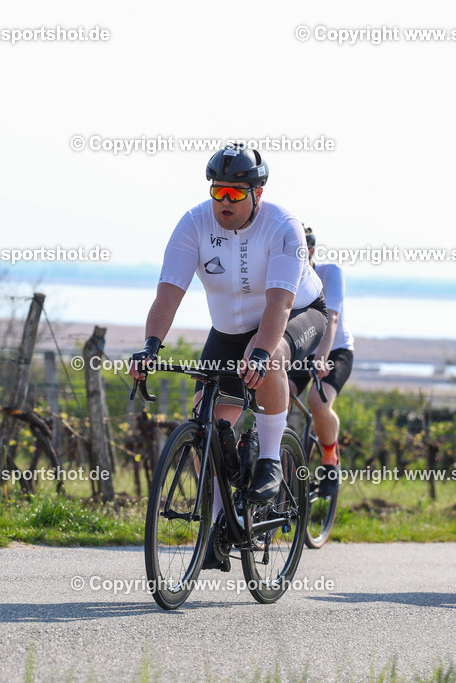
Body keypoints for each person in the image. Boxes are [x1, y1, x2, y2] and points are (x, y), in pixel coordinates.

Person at [129, 143, 327, 570]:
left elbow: (277, 307)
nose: (224, 202)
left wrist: (258, 354)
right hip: (228, 331)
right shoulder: (193, 223)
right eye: (218, 192)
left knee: (269, 357)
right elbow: (168, 294)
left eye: (235, 194)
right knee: (207, 420)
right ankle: (220, 523)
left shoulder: (283, 227)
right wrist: (150, 347)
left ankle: (272, 460)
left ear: (258, 193)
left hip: (297, 314)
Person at [287, 226, 354, 497]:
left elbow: (332, 318)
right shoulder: (284, 274)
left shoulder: (330, 273)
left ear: (311, 252)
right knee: (278, 395)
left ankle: (329, 458)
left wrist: (322, 358)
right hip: (301, 348)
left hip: (334, 348)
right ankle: (282, 452)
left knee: (318, 401)